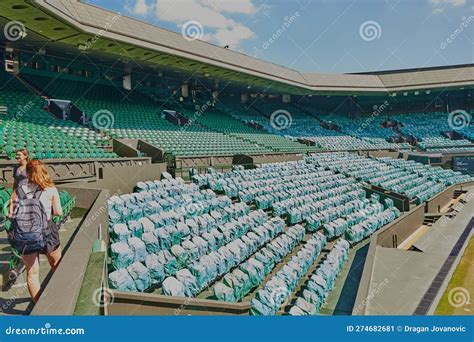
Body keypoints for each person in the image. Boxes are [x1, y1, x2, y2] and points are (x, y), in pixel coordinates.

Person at [9, 159, 63, 302]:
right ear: (43, 170)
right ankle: (61, 297)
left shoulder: (18, 190)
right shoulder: (50, 189)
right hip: (47, 232)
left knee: (32, 273)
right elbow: (58, 212)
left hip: (25, 235)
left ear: (27, 173)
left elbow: (10, 214)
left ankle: (39, 305)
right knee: (57, 265)